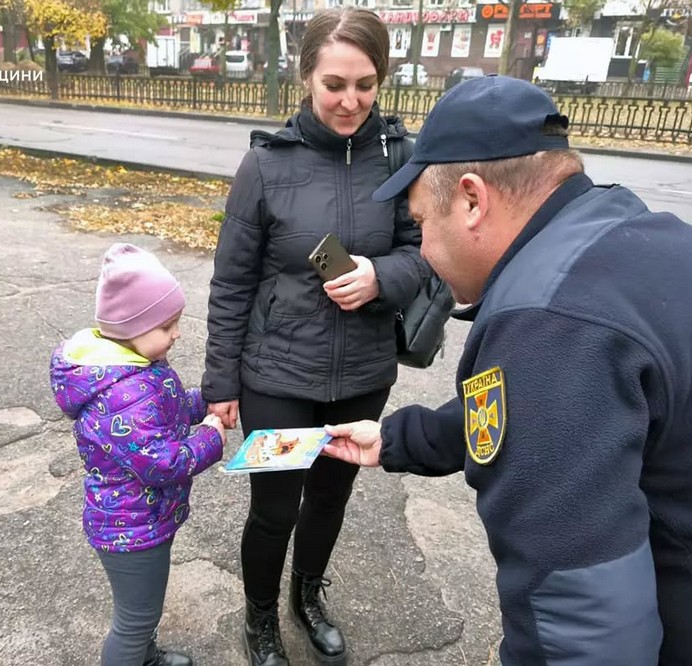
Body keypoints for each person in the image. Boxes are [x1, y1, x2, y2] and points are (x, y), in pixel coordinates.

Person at [322, 75, 692, 665]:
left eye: (424, 222)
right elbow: (536, 409)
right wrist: (399, 439)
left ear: (472, 200)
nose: (423, 249)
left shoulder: (548, 321)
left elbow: (580, 621)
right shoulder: (612, 237)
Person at [202, 8, 429, 666]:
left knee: (330, 497)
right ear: (307, 78)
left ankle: (307, 597)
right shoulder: (265, 165)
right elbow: (232, 281)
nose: (351, 100)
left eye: (365, 84)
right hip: (277, 375)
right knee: (275, 509)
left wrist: (381, 276)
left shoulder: (402, 159)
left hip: (362, 372)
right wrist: (220, 381)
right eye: (335, 84)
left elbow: (427, 253)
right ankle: (260, 619)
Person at [50, 243, 225, 666]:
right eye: (167, 326)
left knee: (143, 612)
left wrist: (206, 402)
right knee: (134, 620)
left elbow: (163, 411)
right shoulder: (123, 390)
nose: (177, 333)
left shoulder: (131, 368)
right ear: (133, 326)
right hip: (129, 528)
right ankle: (136, 655)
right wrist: (210, 436)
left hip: (139, 518)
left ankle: (145, 657)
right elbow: (162, 463)